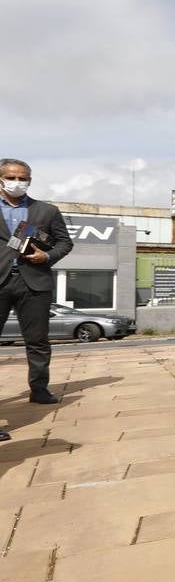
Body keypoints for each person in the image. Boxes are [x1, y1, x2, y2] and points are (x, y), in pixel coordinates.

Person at [0, 158, 73, 421]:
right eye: (12, 177)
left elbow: (65, 243)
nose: (17, 182)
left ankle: (40, 388)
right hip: (1, 280)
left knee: (38, 340)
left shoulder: (46, 211)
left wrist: (48, 256)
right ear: (1, 178)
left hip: (34, 282)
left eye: (23, 178)